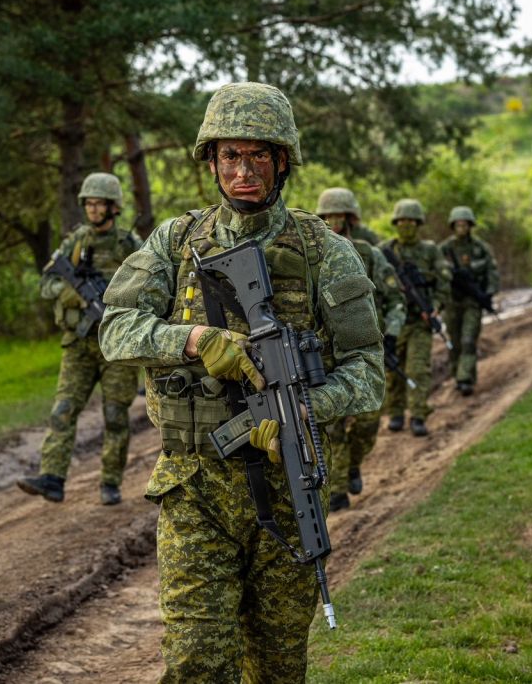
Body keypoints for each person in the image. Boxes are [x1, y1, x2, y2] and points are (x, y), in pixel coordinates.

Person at [98, 82, 384, 682]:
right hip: (194, 486)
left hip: (288, 486)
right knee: (197, 662)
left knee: (277, 667)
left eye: (258, 156)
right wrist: (194, 340)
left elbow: (366, 371)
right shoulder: (176, 243)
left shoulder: (326, 253)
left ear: (282, 162)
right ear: (212, 161)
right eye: (230, 155)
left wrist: (302, 410)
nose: (243, 171)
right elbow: (116, 329)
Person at [16, 173, 142, 506]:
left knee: (115, 416)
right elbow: (47, 284)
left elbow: (151, 285)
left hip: (116, 346)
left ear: (114, 207)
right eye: (89, 203)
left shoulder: (129, 245)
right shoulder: (75, 243)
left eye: (99, 204)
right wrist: (70, 294)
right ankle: (52, 478)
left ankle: (110, 482)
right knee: (63, 410)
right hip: (78, 345)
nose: (93, 209)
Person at [315, 187, 406, 511]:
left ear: (351, 218)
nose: (334, 221)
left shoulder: (370, 254)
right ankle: (338, 489)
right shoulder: (310, 255)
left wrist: (392, 333)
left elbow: (395, 299)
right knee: (333, 428)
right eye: (328, 216)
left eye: (339, 215)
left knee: (368, 423)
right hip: (324, 356)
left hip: (363, 351)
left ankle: (353, 464)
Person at [380, 198, 451, 437]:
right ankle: (396, 414)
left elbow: (443, 281)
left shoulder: (430, 251)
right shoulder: (385, 251)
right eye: (402, 221)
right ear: (395, 223)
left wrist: (436, 306)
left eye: (411, 222)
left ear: (419, 224)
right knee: (393, 369)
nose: (406, 226)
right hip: (393, 323)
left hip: (420, 322)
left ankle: (418, 415)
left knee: (418, 369)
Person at [439, 206, 499, 396]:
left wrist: (488, 294)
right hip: (452, 301)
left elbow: (492, 272)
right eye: (458, 225)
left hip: (473, 301)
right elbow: (435, 273)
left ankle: (465, 378)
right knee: (455, 342)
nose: (462, 228)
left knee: (468, 340)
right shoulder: (444, 249)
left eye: (465, 224)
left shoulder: (481, 248)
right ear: (452, 226)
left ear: (470, 226)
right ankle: (458, 374)